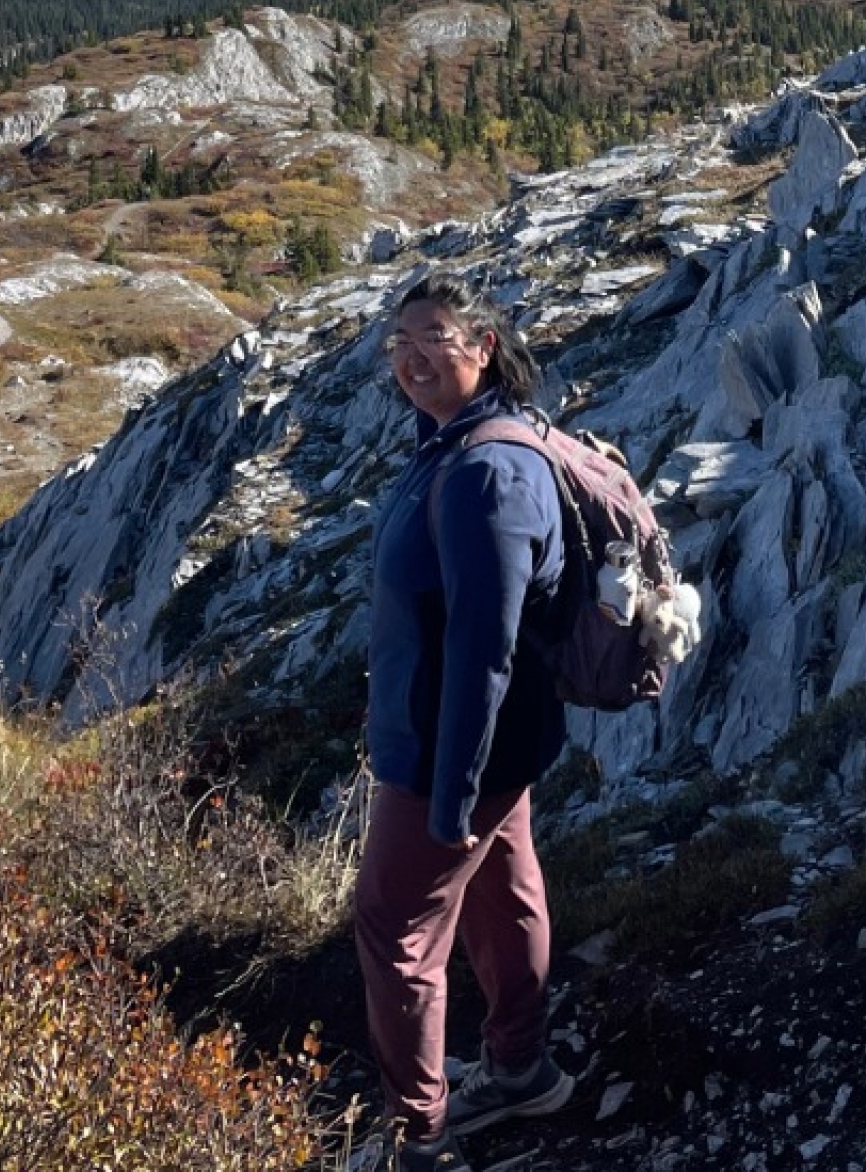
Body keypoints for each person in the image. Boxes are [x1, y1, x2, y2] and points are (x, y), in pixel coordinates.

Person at [347, 271, 579, 1172]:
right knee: (499, 888)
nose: (410, 357)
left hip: (454, 752)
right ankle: (521, 1066)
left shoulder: (485, 473)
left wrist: (451, 795)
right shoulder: (455, 442)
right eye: (398, 341)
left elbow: (486, 651)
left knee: (394, 926)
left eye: (432, 337)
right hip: (491, 748)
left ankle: (420, 1139)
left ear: (483, 346)